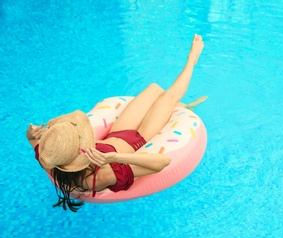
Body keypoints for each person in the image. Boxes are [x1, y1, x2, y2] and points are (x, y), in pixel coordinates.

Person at [26, 34, 205, 212]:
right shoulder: (98, 177)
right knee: (169, 96)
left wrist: (32, 132)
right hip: (139, 138)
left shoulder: (51, 158)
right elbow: (162, 162)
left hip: (118, 132)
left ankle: (180, 107)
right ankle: (192, 61)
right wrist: (115, 158)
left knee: (154, 88)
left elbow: (30, 138)